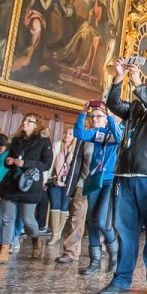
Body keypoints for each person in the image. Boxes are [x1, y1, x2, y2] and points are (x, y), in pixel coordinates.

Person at [100, 60, 147, 294]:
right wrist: (119, 77)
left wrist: (138, 82)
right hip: (124, 174)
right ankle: (121, 279)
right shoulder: (135, 110)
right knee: (125, 231)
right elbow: (113, 103)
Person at [0, 113, 53, 265]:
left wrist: (25, 163)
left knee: (27, 218)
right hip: (11, 183)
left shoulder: (44, 142)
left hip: (30, 184)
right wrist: (9, 161)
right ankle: (3, 252)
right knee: (6, 218)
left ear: (37, 125)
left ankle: (36, 238)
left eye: (30, 121)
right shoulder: (16, 140)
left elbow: (46, 164)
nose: (25, 123)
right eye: (25, 120)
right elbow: (7, 159)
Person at [64, 104, 120, 273]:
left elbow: (119, 137)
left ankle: (115, 255)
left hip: (109, 180)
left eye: (98, 117)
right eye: (92, 116)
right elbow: (79, 133)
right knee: (92, 222)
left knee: (103, 220)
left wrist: (110, 117)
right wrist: (82, 113)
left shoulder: (117, 129)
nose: (94, 119)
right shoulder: (95, 134)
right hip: (93, 179)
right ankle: (94, 261)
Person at [47, 127, 78, 246]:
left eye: (70, 134)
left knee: (64, 206)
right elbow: (51, 163)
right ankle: (54, 234)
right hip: (55, 180)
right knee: (55, 205)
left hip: (68, 182)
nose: (67, 135)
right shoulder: (57, 145)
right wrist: (49, 177)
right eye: (65, 132)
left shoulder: (75, 149)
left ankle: (59, 232)